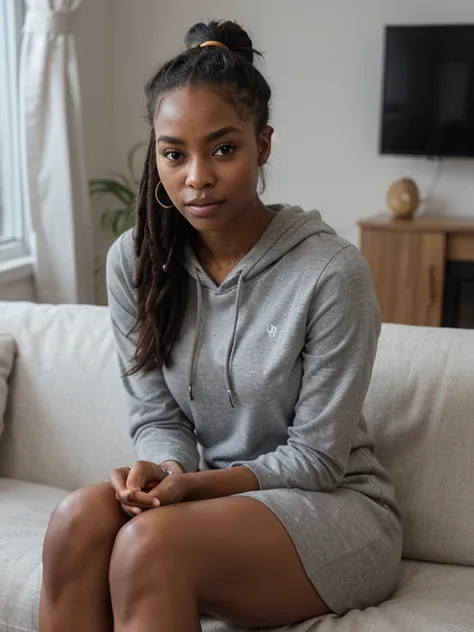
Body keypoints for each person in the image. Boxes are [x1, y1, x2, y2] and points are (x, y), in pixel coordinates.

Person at [39, 19, 402, 632]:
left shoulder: (331, 272)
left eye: (224, 149)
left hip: (333, 510)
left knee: (150, 545)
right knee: (77, 520)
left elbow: (317, 461)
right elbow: (158, 417)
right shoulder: (136, 262)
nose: (197, 178)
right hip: (213, 500)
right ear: (156, 153)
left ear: (264, 145)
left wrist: (196, 489)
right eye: (174, 153)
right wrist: (167, 471)